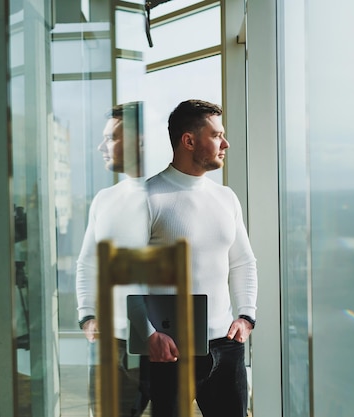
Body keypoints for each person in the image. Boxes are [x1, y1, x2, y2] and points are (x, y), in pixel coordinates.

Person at [144, 99, 258, 417]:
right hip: (170, 350)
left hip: (226, 344)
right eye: (217, 135)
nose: (226, 143)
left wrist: (247, 316)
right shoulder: (147, 198)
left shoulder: (226, 197)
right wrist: (148, 333)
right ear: (189, 140)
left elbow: (242, 262)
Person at [76, 101, 150, 417]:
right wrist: (87, 315)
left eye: (111, 138)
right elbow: (87, 263)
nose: (101, 146)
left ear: (141, 141)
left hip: (173, 338)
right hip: (115, 339)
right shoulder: (105, 199)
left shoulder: (176, 193)